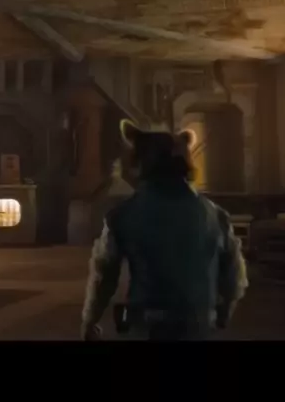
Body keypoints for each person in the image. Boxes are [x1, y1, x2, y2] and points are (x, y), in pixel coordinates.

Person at [80, 120, 248, 341]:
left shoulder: (123, 215)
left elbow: (104, 276)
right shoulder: (216, 215)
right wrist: (224, 313)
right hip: (199, 325)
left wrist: (90, 320)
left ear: (140, 163)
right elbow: (234, 276)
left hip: (147, 328)